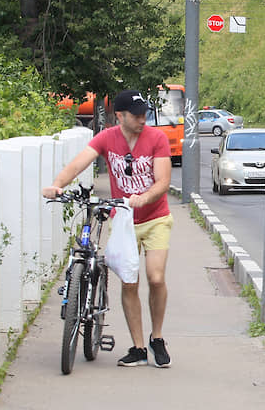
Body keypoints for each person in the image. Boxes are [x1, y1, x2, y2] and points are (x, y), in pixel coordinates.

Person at [42, 90, 173, 368]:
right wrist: (57, 185)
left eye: (144, 114)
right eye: (136, 115)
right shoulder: (106, 138)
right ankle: (138, 348)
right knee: (129, 281)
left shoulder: (157, 138)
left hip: (155, 218)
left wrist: (144, 198)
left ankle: (157, 337)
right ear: (120, 116)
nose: (142, 119)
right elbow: (78, 163)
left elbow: (162, 181)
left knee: (156, 277)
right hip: (123, 219)